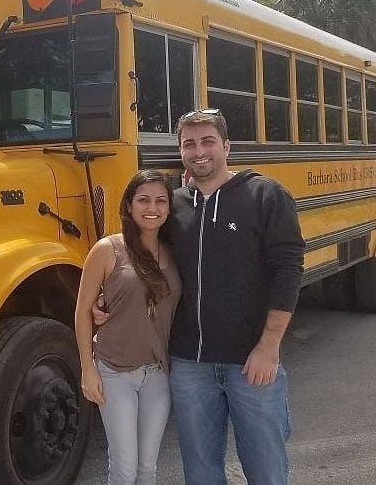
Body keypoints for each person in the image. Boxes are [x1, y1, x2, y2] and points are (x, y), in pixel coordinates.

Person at [167, 108, 305, 485]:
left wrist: (269, 346)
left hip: (251, 362)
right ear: (180, 151)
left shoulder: (265, 195)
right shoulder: (173, 205)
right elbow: (145, 266)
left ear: (227, 146)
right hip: (190, 364)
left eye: (208, 141)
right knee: (200, 472)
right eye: (189, 144)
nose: (199, 152)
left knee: (266, 470)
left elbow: (288, 268)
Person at [75, 169, 182, 485]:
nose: (153, 208)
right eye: (144, 200)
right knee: (124, 468)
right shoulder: (108, 249)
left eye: (161, 201)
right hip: (115, 371)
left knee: (147, 468)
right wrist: (87, 370)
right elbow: (82, 311)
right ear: (129, 205)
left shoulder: (174, 251)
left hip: (158, 371)